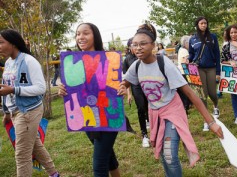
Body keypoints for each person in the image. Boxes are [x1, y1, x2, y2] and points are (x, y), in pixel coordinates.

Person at [118, 23, 223, 177]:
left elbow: (190, 94)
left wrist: (211, 123)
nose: (138, 48)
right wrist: (123, 87)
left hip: (172, 112)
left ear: (153, 45)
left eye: (143, 44)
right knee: (162, 152)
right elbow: (126, 81)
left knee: (168, 154)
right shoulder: (136, 65)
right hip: (155, 113)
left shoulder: (164, 63)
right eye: (135, 45)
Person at [58, 23, 120, 177]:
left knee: (99, 166)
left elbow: (119, 83)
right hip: (87, 116)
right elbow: (72, 87)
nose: (80, 37)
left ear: (95, 36)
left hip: (108, 116)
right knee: (108, 157)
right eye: (78, 34)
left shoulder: (109, 59)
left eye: (85, 33)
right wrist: (62, 89)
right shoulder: (72, 63)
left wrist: (123, 87)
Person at [0, 29, 59, 177]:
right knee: (35, 146)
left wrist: (14, 89)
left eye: (1, 43)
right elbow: (5, 87)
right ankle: (55, 174)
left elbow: (41, 88)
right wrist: (7, 112)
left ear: (13, 43)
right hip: (15, 112)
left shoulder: (29, 61)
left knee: (22, 155)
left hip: (28, 111)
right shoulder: (8, 62)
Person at [188, 16, 221, 131]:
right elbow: (191, 55)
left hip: (211, 68)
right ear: (197, 25)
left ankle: (216, 106)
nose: (204, 25)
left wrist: (218, 71)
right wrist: (188, 60)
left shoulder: (212, 37)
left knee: (212, 93)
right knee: (203, 95)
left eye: (205, 23)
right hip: (198, 69)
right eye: (201, 23)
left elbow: (217, 54)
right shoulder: (192, 39)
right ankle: (206, 121)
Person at [123, 38, 150, 148]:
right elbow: (126, 79)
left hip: (148, 84)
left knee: (150, 107)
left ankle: (151, 124)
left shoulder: (145, 56)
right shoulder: (127, 59)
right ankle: (144, 135)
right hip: (136, 86)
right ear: (130, 47)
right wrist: (129, 93)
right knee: (141, 108)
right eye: (133, 45)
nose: (136, 47)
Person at [177, 35, 191, 112]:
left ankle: (187, 105)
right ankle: (186, 106)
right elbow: (185, 62)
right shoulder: (184, 51)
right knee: (186, 90)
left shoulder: (180, 49)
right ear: (185, 43)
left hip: (181, 72)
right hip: (184, 72)